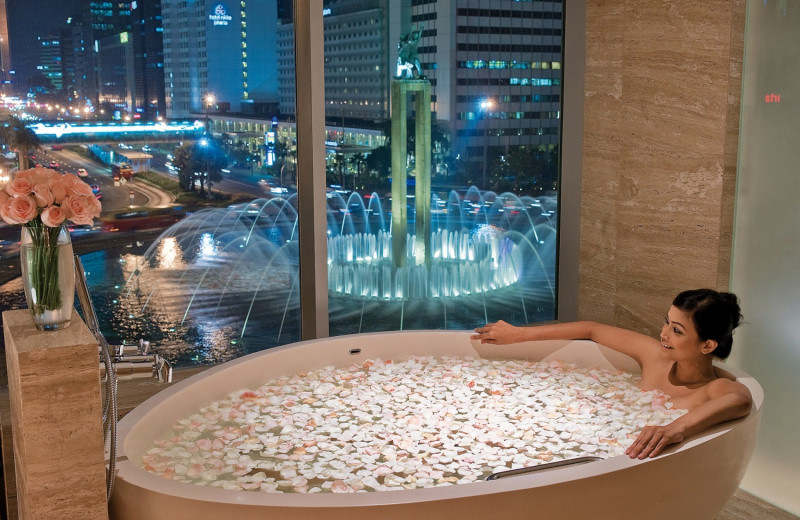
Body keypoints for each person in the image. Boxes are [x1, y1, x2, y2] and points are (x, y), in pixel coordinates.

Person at [471, 288, 752, 459]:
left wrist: (676, 427)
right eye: (667, 322)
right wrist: (518, 334)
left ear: (708, 345)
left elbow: (741, 398)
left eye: (677, 331)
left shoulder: (710, 389)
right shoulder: (655, 356)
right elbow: (591, 329)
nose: (663, 334)